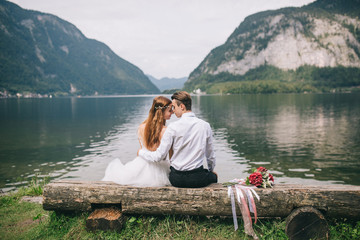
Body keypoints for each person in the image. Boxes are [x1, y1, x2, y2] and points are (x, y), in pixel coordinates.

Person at [138, 91, 217, 188]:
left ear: (182, 107)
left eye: (174, 107)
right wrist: (211, 170)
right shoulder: (205, 126)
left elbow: (158, 156)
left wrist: (141, 152)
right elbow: (210, 156)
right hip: (197, 179)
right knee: (214, 176)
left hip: (176, 180)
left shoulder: (172, 128)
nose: (173, 111)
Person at [102, 96, 173, 187]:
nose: (172, 113)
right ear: (161, 111)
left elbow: (141, 148)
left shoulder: (141, 127)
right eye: (170, 110)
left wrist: (140, 153)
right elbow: (164, 156)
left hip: (141, 165)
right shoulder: (166, 130)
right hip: (158, 169)